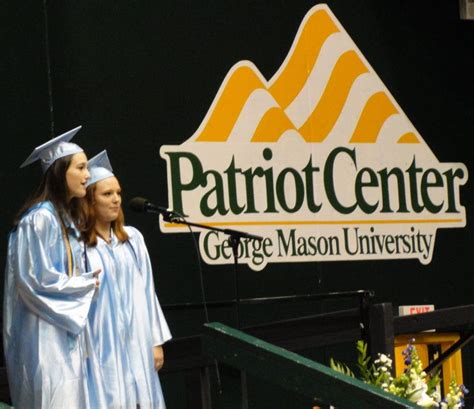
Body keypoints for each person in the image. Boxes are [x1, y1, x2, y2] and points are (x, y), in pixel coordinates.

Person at [3, 126, 100, 409]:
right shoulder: (39, 220)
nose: (88, 175)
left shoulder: (65, 220)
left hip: (66, 334)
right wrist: (85, 284)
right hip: (44, 337)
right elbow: (33, 281)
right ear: (59, 172)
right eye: (80, 168)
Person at [79, 150, 171, 409]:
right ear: (89, 200)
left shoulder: (132, 240)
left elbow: (147, 292)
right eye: (107, 194)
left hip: (137, 342)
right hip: (101, 347)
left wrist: (156, 341)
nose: (116, 200)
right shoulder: (80, 246)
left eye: (118, 193)